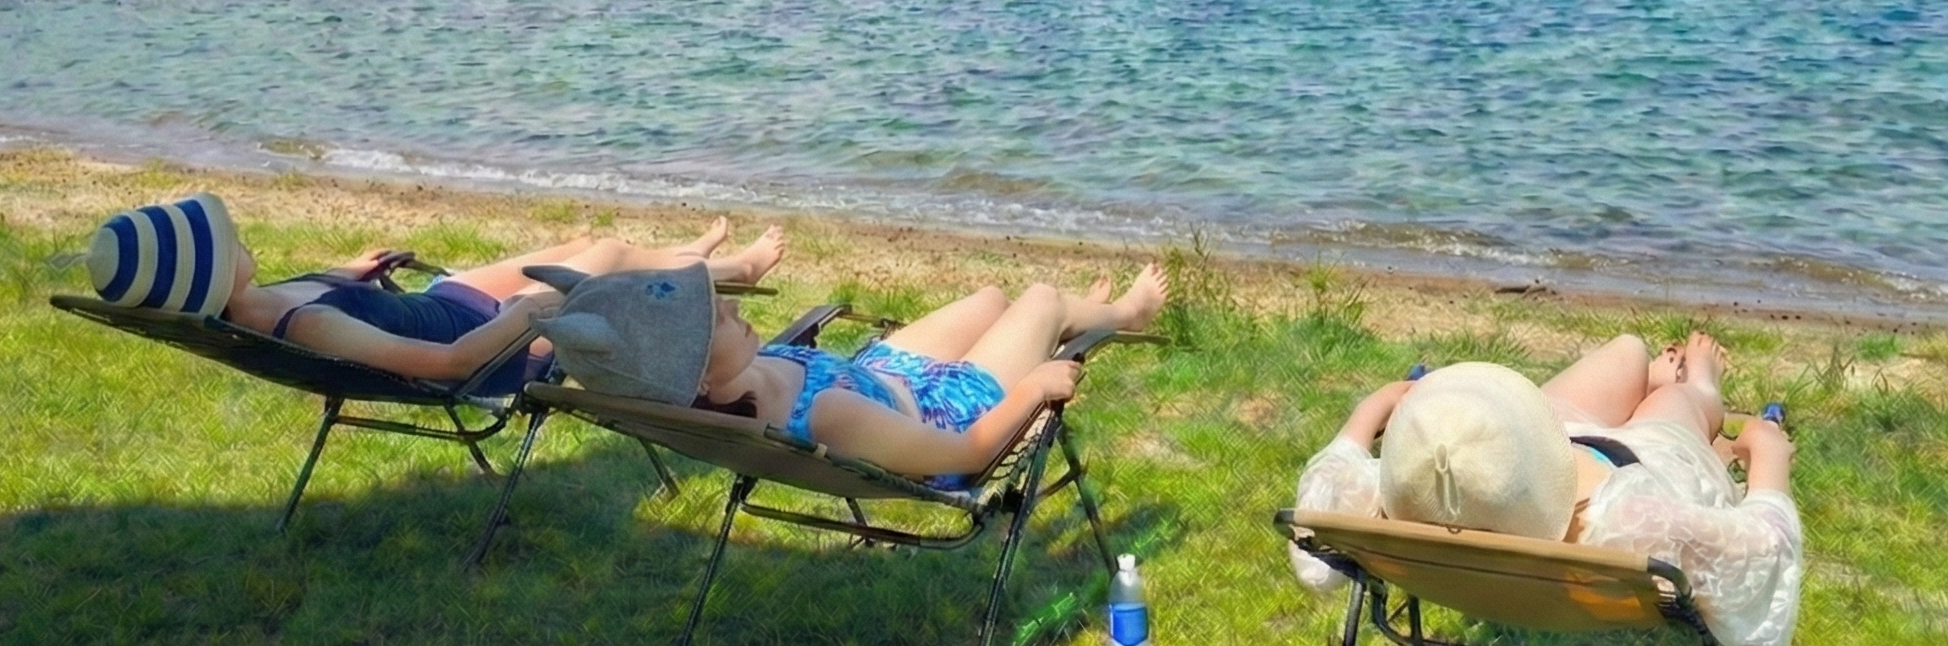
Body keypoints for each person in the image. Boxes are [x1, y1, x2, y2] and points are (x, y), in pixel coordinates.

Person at [1290, 333, 1801, 646]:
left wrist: (1385, 396)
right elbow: (1761, 550)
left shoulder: (1390, 500)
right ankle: (1698, 388)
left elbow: (1322, 498)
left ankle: (1649, 382)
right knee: (1680, 401)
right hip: (1639, 456)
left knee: (1627, 350)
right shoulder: (1632, 526)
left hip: (1529, 442)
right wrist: (1768, 454)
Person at [83, 192, 785, 394]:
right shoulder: (308, 331)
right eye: (229, 242)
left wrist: (348, 271)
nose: (243, 242)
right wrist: (530, 315)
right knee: (600, 261)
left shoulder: (261, 301)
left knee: (587, 247)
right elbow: (447, 368)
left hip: (450, 303)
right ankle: (726, 272)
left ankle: (691, 261)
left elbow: (339, 299)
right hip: (484, 345)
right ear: (212, 274)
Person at [534, 260, 1169, 480]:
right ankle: (1123, 312)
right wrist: (1034, 385)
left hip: (879, 375)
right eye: (716, 319)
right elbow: (969, 454)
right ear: (697, 378)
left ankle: (1060, 318)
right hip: (946, 409)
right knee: (1039, 297)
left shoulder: (736, 386)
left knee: (991, 302)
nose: (729, 305)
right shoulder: (829, 421)